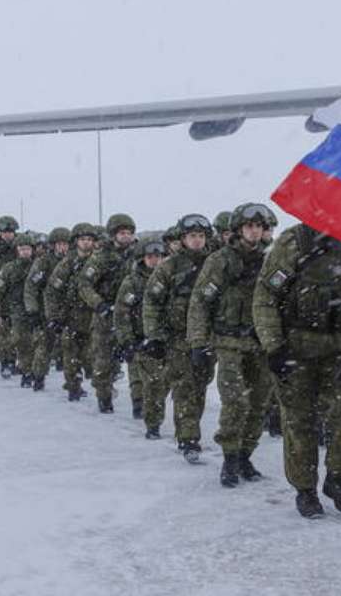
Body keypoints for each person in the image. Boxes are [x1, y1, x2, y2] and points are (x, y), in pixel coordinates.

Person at [253, 222, 341, 518]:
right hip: (296, 348)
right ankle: (306, 489)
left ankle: (337, 477)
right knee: (300, 420)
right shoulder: (294, 242)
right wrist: (274, 346)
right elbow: (265, 297)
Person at [188, 203, 275, 486]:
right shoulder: (220, 260)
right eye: (250, 226)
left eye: (259, 227)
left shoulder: (269, 261)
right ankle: (229, 457)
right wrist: (198, 343)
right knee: (235, 402)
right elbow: (200, 302)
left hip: (260, 343)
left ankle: (245, 455)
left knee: (259, 402)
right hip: (228, 342)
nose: (254, 231)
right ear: (239, 229)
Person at [143, 214, 213, 462]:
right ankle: (188, 438)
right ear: (183, 239)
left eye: (201, 236)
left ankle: (190, 430)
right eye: (192, 236)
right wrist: (155, 336)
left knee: (201, 387)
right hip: (177, 339)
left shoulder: (213, 264)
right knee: (184, 388)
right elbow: (152, 303)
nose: (197, 240)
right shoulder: (169, 267)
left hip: (206, 338)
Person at [78, 213, 137, 413]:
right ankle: (104, 396)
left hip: (131, 314)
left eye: (129, 233)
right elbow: (84, 285)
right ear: (113, 235)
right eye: (122, 233)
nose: (126, 236)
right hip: (105, 314)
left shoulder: (138, 255)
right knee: (103, 359)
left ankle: (140, 401)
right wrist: (99, 304)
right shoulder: (100, 257)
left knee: (136, 360)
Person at [115, 238, 166, 431]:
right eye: (150, 257)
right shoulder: (132, 282)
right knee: (149, 380)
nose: (155, 261)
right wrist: (126, 340)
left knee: (163, 382)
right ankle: (149, 417)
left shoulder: (168, 278)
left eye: (159, 256)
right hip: (140, 337)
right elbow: (121, 313)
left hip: (163, 338)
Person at [45, 223, 97, 401]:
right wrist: (54, 317)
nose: (87, 243)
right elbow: (52, 291)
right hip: (71, 316)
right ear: (76, 242)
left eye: (90, 239)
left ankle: (103, 387)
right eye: (83, 239)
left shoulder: (99, 261)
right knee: (70, 355)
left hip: (93, 316)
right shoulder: (67, 264)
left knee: (92, 355)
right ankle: (73, 386)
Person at [24, 226, 71, 391]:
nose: (62, 248)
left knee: (71, 348)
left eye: (65, 244)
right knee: (45, 345)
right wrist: (33, 311)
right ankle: (38, 376)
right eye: (59, 244)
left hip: (68, 310)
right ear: (53, 245)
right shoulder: (43, 262)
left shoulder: (74, 261)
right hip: (46, 310)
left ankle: (73, 384)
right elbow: (31, 287)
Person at [0, 234, 36, 387]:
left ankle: (33, 371)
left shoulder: (37, 266)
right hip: (16, 310)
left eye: (28, 249)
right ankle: (25, 372)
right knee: (22, 341)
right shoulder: (9, 268)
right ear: (17, 250)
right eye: (22, 249)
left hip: (36, 310)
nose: (25, 252)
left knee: (36, 342)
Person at [0, 215, 19, 375]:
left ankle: (13, 360)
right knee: (1, 331)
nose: (7, 234)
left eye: (10, 231)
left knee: (16, 332)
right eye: (4, 231)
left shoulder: (20, 248)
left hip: (16, 295)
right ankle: (5, 362)